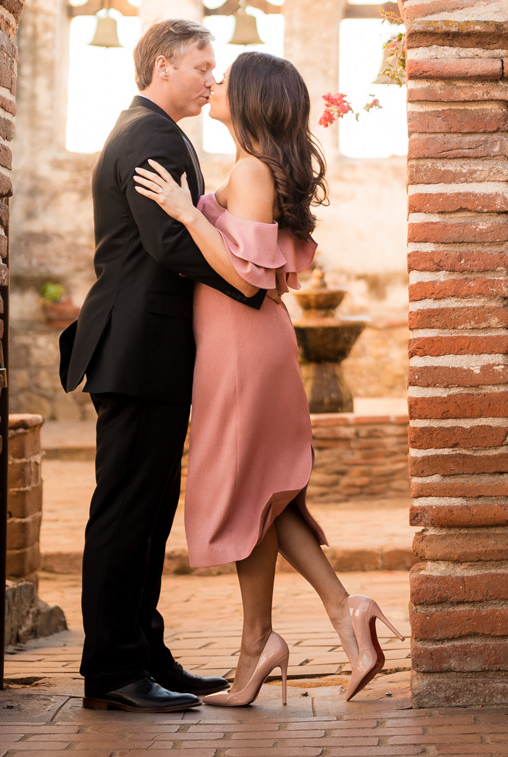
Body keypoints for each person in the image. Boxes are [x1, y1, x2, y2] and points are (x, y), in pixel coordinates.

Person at [133, 49, 406, 706]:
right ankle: (322, 621)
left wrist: (187, 212)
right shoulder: (250, 167)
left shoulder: (253, 170)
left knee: (251, 490)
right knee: (263, 496)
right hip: (234, 348)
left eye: (227, 78)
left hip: (244, 348)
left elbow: (248, 280)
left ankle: (282, 635)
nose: (215, 82)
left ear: (252, 97)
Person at [56, 18, 243, 712]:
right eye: (201, 65)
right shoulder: (153, 135)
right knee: (126, 513)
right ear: (163, 65)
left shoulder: (150, 130)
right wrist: (248, 280)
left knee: (146, 511)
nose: (210, 78)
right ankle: (111, 671)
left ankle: (146, 653)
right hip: (138, 349)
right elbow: (169, 242)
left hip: (146, 349)